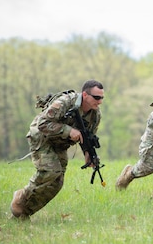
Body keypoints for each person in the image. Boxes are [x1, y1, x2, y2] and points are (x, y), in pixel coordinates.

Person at [10, 80, 104, 220]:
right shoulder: (64, 102)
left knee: (56, 183)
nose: (100, 101)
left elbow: (87, 136)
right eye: (97, 97)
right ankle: (21, 196)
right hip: (42, 138)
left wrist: (88, 154)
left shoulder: (95, 115)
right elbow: (42, 123)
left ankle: (23, 214)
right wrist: (68, 130)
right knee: (51, 171)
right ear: (85, 94)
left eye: (102, 98)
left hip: (59, 144)